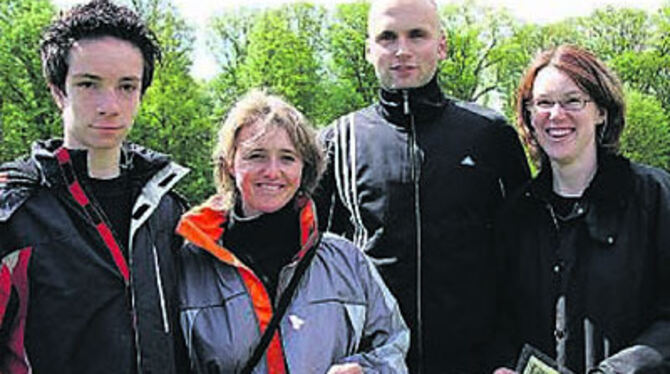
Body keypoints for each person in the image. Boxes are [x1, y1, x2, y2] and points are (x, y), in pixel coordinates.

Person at [314, 0, 530, 372]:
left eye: (417, 35)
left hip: (478, 362)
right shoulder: (338, 142)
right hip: (375, 363)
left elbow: (529, 255)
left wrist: (510, 355)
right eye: (387, 37)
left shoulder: (490, 135)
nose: (402, 51)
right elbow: (312, 267)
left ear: (441, 45)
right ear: (369, 49)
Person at [0, 0, 189, 372]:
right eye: (89, 84)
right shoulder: (13, 209)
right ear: (58, 90)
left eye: (126, 86)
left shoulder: (168, 210)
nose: (110, 105)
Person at [176, 89, 409, 374]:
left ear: (305, 168)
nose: (272, 172)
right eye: (256, 155)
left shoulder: (348, 262)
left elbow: (393, 346)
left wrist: (369, 372)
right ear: (230, 165)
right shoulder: (186, 266)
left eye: (287, 158)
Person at [493, 45, 670, 374]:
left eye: (572, 100)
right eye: (543, 103)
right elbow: (502, 319)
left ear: (601, 111)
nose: (556, 114)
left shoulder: (654, 196)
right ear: (530, 116)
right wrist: (504, 364)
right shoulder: (517, 214)